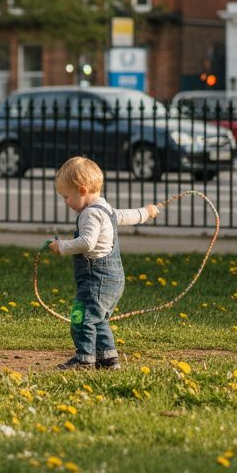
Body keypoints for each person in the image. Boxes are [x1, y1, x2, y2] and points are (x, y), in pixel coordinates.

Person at [48, 156, 160, 371]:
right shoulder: (106, 209)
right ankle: (108, 359)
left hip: (96, 279)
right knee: (98, 319)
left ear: (82, 190)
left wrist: (61, 246)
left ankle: (84, 359)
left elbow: (87, 243)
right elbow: (126, 215)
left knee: (82, 318)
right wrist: (147, 212)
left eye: (65, 196)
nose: (65, 202)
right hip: (113, 278)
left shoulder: (90, 214)